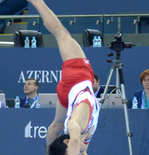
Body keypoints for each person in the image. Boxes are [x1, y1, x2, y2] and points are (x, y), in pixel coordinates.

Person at [27, 0, 99, 155]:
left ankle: (37, 2)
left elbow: (74, 142)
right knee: (57, 125)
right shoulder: (82, 139)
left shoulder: (74, 125)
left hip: (77, 77)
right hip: (69, 96)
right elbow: (80, 148)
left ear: (66, 142)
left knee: (61, 33)